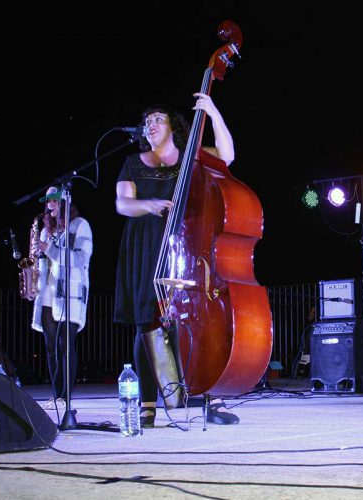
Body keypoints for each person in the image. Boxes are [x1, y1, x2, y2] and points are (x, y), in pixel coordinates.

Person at [114, 92, 234, 428]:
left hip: (186, 246)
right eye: (147, 121)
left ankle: (211, 397)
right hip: (147, 244)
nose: (150, 125)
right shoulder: (134, 162)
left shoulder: (191, 158)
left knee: (194, 320)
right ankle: (148, 405)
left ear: (174, 127)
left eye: (157, 119)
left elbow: (227, 155)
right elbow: (123, 204)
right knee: (147, 325)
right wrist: (150, 206)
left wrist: (212, 110)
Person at [31, 186, 93, 409]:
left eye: (55, 200)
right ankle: (56, 395)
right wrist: (33, 276)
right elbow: (43, 264)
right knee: (50, 346)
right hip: (47, 292)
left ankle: (66, 397)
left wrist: (50, 250)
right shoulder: (46, 231)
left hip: (70, 293)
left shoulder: (80, 226)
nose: (50, 204)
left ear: (65, 202)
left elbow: (81, 258)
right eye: (48, 201)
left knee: (65, 343)